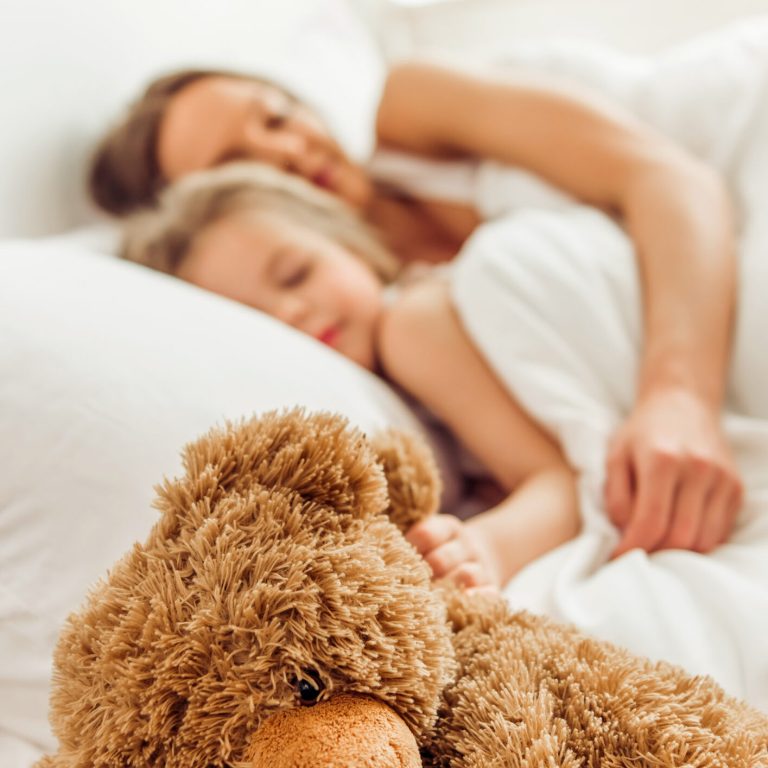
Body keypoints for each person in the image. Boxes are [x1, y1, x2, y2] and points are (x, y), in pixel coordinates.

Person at [93, 61, 743, 558]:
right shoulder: (361, 329)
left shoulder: (411, 113)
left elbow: (669, 177)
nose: (287, 152)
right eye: (236, 162)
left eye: (277, 117)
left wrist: (678, 393)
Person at [121, 161, 584, 591]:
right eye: (259, 321)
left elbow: (562, 485)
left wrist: (486, 547)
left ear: (352, 243)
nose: (289, 311)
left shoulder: (410, 325)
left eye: (296, 274)